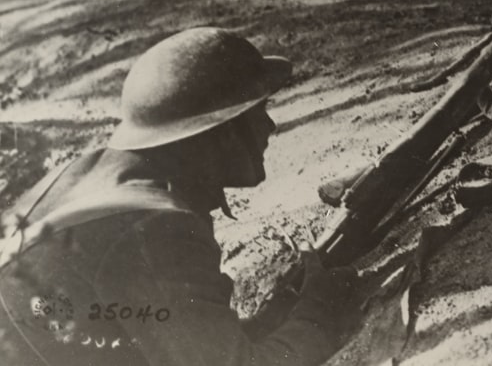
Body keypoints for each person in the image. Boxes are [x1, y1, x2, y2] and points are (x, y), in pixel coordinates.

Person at [0, 27, 358, 366]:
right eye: (255, 112)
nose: (269, 126)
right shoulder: (155, 227)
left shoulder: (85, 175)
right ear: (216, 134)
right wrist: (320, 310)